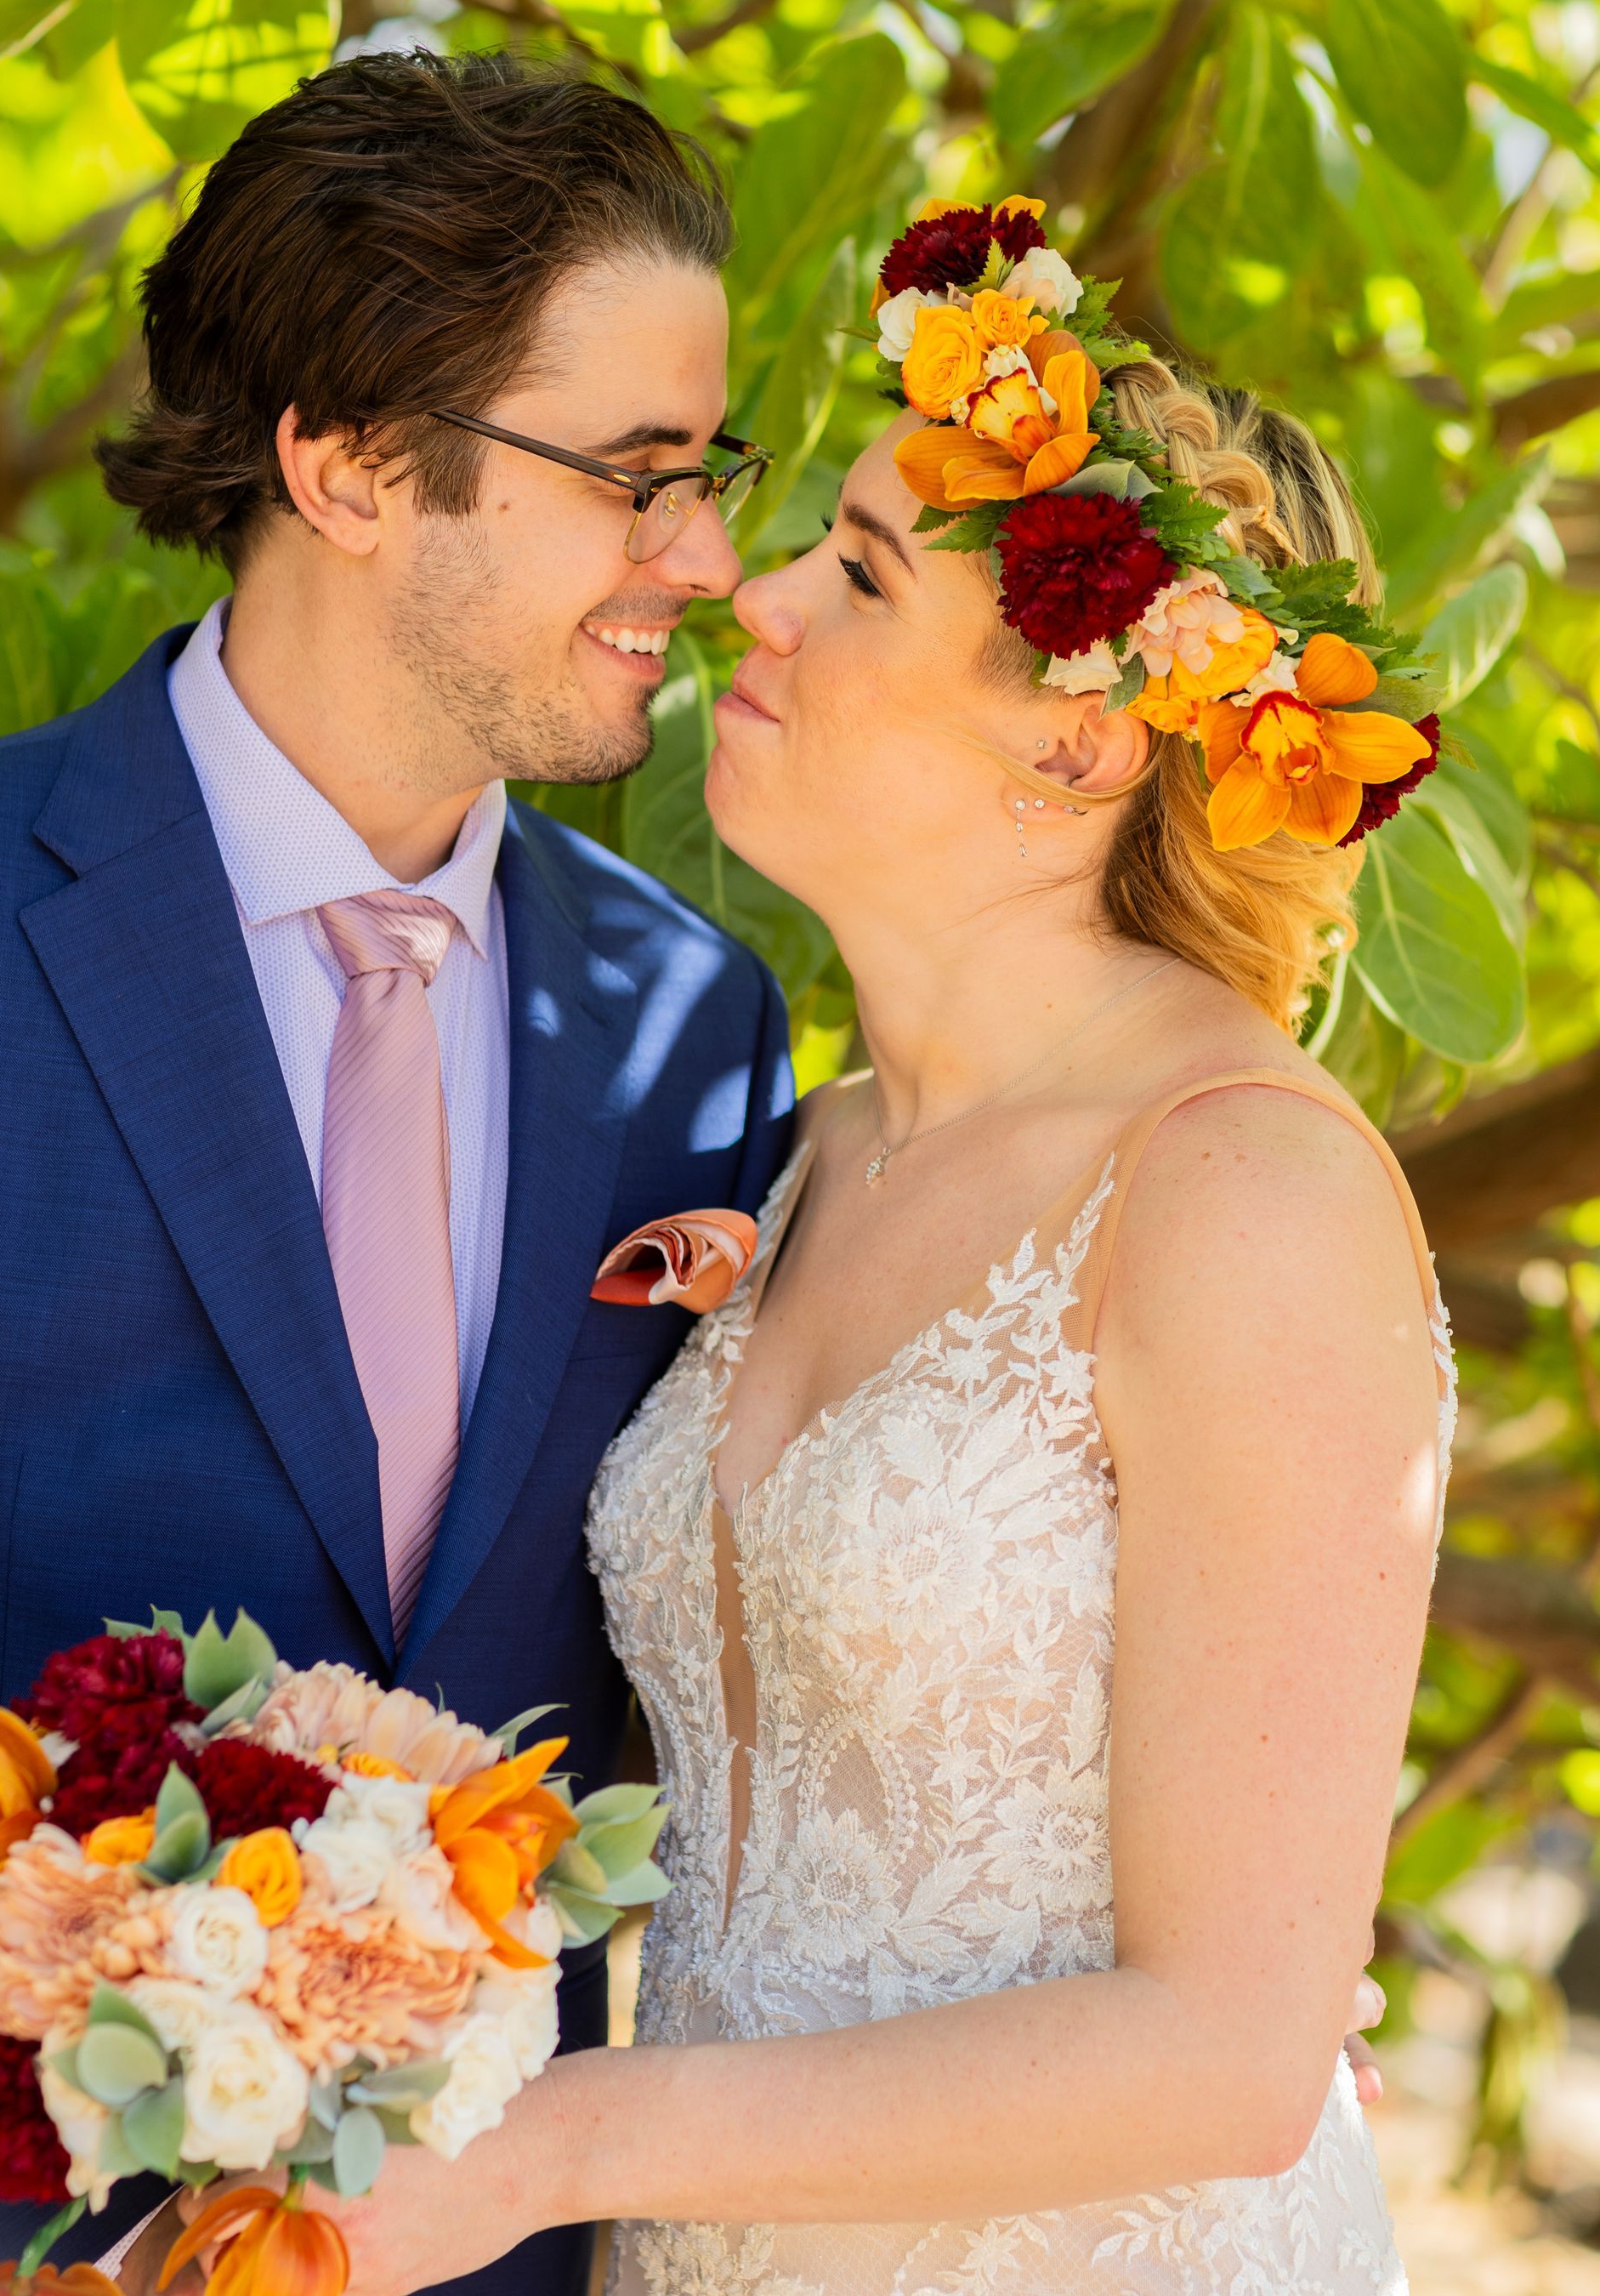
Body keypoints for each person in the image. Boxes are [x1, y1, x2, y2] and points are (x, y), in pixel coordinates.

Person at [299, 244, 1446, 2295]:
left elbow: (1236, 2050)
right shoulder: (791, 1153)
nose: (754, 594)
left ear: (1081, 752)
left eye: (860, 570)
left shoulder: (1247, 1198)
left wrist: (563, 2139)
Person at [0, 49, 793, 2296]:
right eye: (633, 478)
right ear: (340, 463)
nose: (706, 562)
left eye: (711, 478)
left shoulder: (694, 1034)